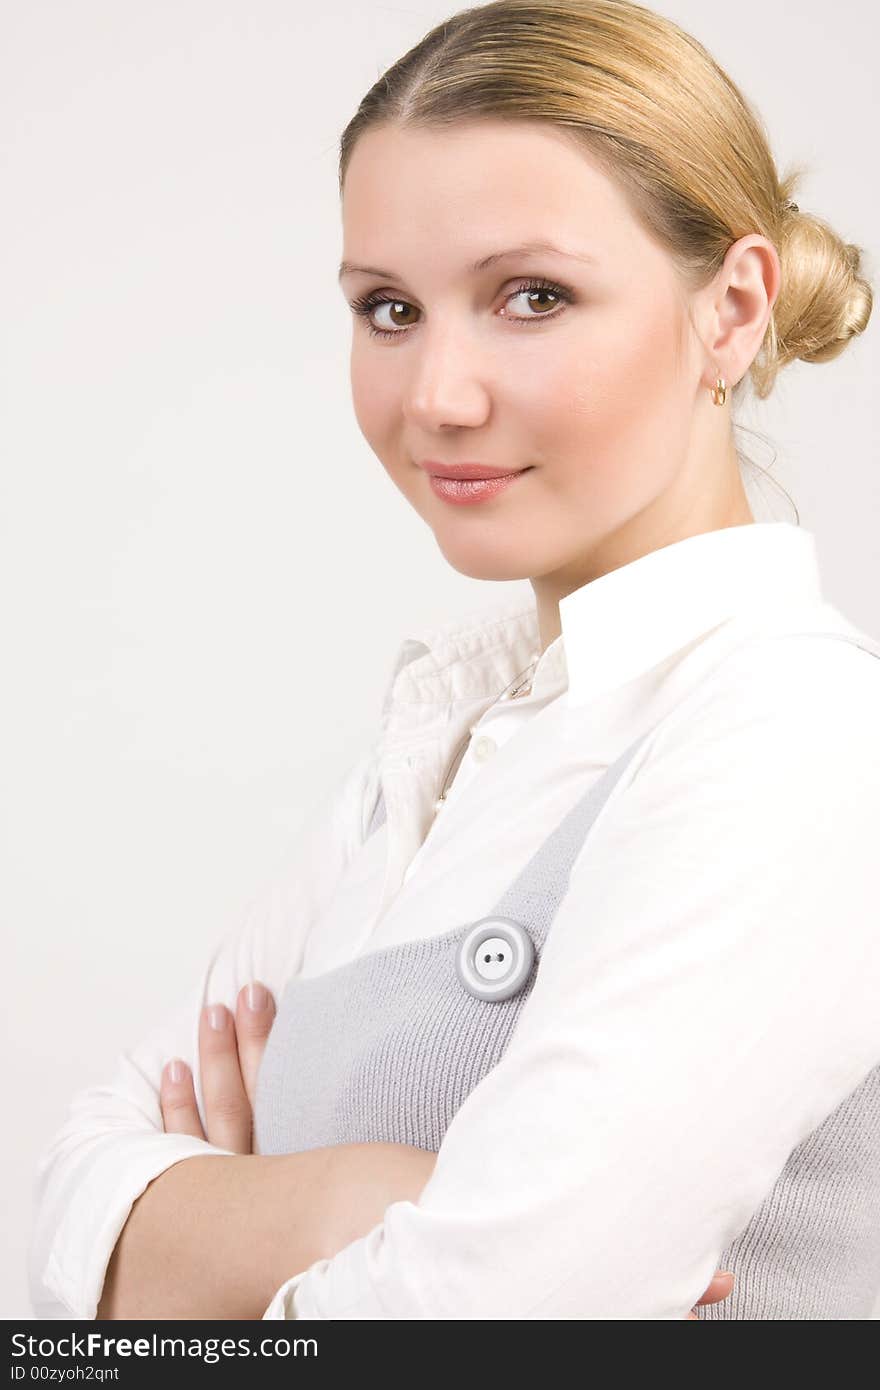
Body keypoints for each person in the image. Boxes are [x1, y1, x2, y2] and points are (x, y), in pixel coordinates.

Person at [29, 0, 880, 1321]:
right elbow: (70, 1201)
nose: (438, 395)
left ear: (732, 308)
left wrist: (210, 1237)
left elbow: (483, 1316)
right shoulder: (441, 740)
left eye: (531, 297)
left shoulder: (796, 733)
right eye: (388, 309)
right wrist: (354, 1199)